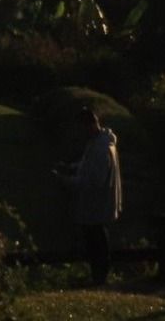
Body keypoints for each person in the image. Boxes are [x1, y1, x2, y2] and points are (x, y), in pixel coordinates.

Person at [60, 106, 122, 285]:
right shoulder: (99, 144)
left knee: (96, 242)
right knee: (97, 239)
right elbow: (89, 166)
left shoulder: (101, 148)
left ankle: (99, 277)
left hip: (96, 203)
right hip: (97, 204)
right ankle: (99, 276)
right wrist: (73, 168)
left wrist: (66, 180)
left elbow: (94, 180)